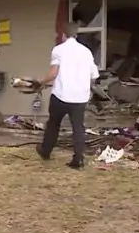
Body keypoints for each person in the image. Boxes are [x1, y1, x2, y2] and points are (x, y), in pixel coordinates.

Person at [34, 22, 100, 168]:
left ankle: (46, 151)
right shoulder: (86, 51)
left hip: (61, 95)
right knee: (78, 127)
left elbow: (54, 73)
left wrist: (41, 82)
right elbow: (93, 75)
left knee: (53, 124)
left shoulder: (59, 50)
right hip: (80, 97)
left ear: (63, 35)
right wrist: (85, 88)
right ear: (76, 35)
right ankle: (79, 159)